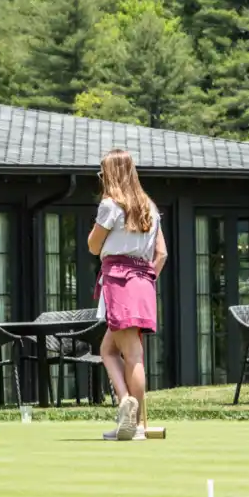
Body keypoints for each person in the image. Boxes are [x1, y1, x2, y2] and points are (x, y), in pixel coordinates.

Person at [87, 148, 166, 441]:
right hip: (143, 280)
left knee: (131, 354)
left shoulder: (110, 205)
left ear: (111, 174)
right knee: (109, 350)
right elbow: (161, 254)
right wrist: (144, 279)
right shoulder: (149, 207)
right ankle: (128, 413)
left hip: (120, 280)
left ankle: (132, 417)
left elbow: (93, 246)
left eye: (102, 172)